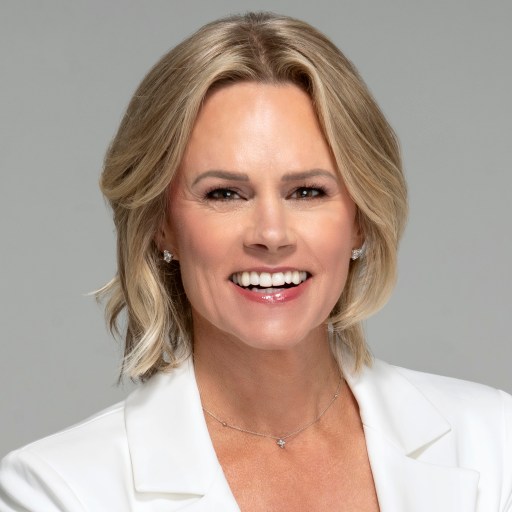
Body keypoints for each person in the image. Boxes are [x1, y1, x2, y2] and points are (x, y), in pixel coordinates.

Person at [0, 11, 510, 512]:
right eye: (225, 194)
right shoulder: (57, 491)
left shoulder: (496, 445)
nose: (271, 234)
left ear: (360, 217)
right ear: (161, 224)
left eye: (307, 190)